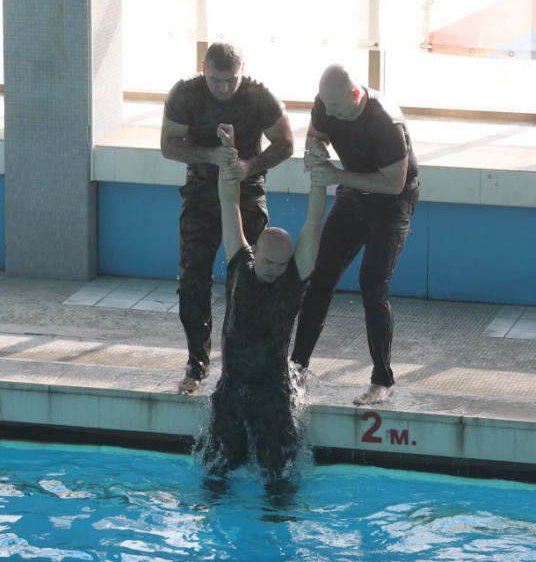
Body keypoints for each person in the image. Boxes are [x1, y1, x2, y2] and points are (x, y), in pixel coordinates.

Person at [160, 42, 294, 395]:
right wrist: (210, 155)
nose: (224, 87)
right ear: (204, 69)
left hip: (246, 189)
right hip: (202, 190)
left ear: (242, 70)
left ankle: (253, 361)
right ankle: (197, 363)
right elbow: (168, 145)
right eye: (216, 80)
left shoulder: (259, 96)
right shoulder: (186, 93)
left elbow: (285, 143)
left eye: (231, 80)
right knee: (193, 279)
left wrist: (250, 165)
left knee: (253, 276)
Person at [199, 123, 326, 480]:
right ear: (255, 250)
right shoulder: (240, 263)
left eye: (282, 264)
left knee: (279, 477)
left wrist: (319, 175)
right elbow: (229, 203)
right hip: (232, 388)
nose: (275, 270)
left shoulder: (292, 279)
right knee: (216, 473)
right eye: (269, 262)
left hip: (272, 392)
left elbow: (314, 222)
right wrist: (229, 156)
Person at [290, 64, 419, 406]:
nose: (329, 112)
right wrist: (315, 150)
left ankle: (382, 380)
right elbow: (315, 135)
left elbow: (393, 183)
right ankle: (296, 370)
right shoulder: (328, 102)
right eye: (325, 105)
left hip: (393, 201)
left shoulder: (386, 122)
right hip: (353, 193)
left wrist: (336, 175)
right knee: (320, 279)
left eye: (335, 106)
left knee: (372, 285)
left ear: (356, 93)